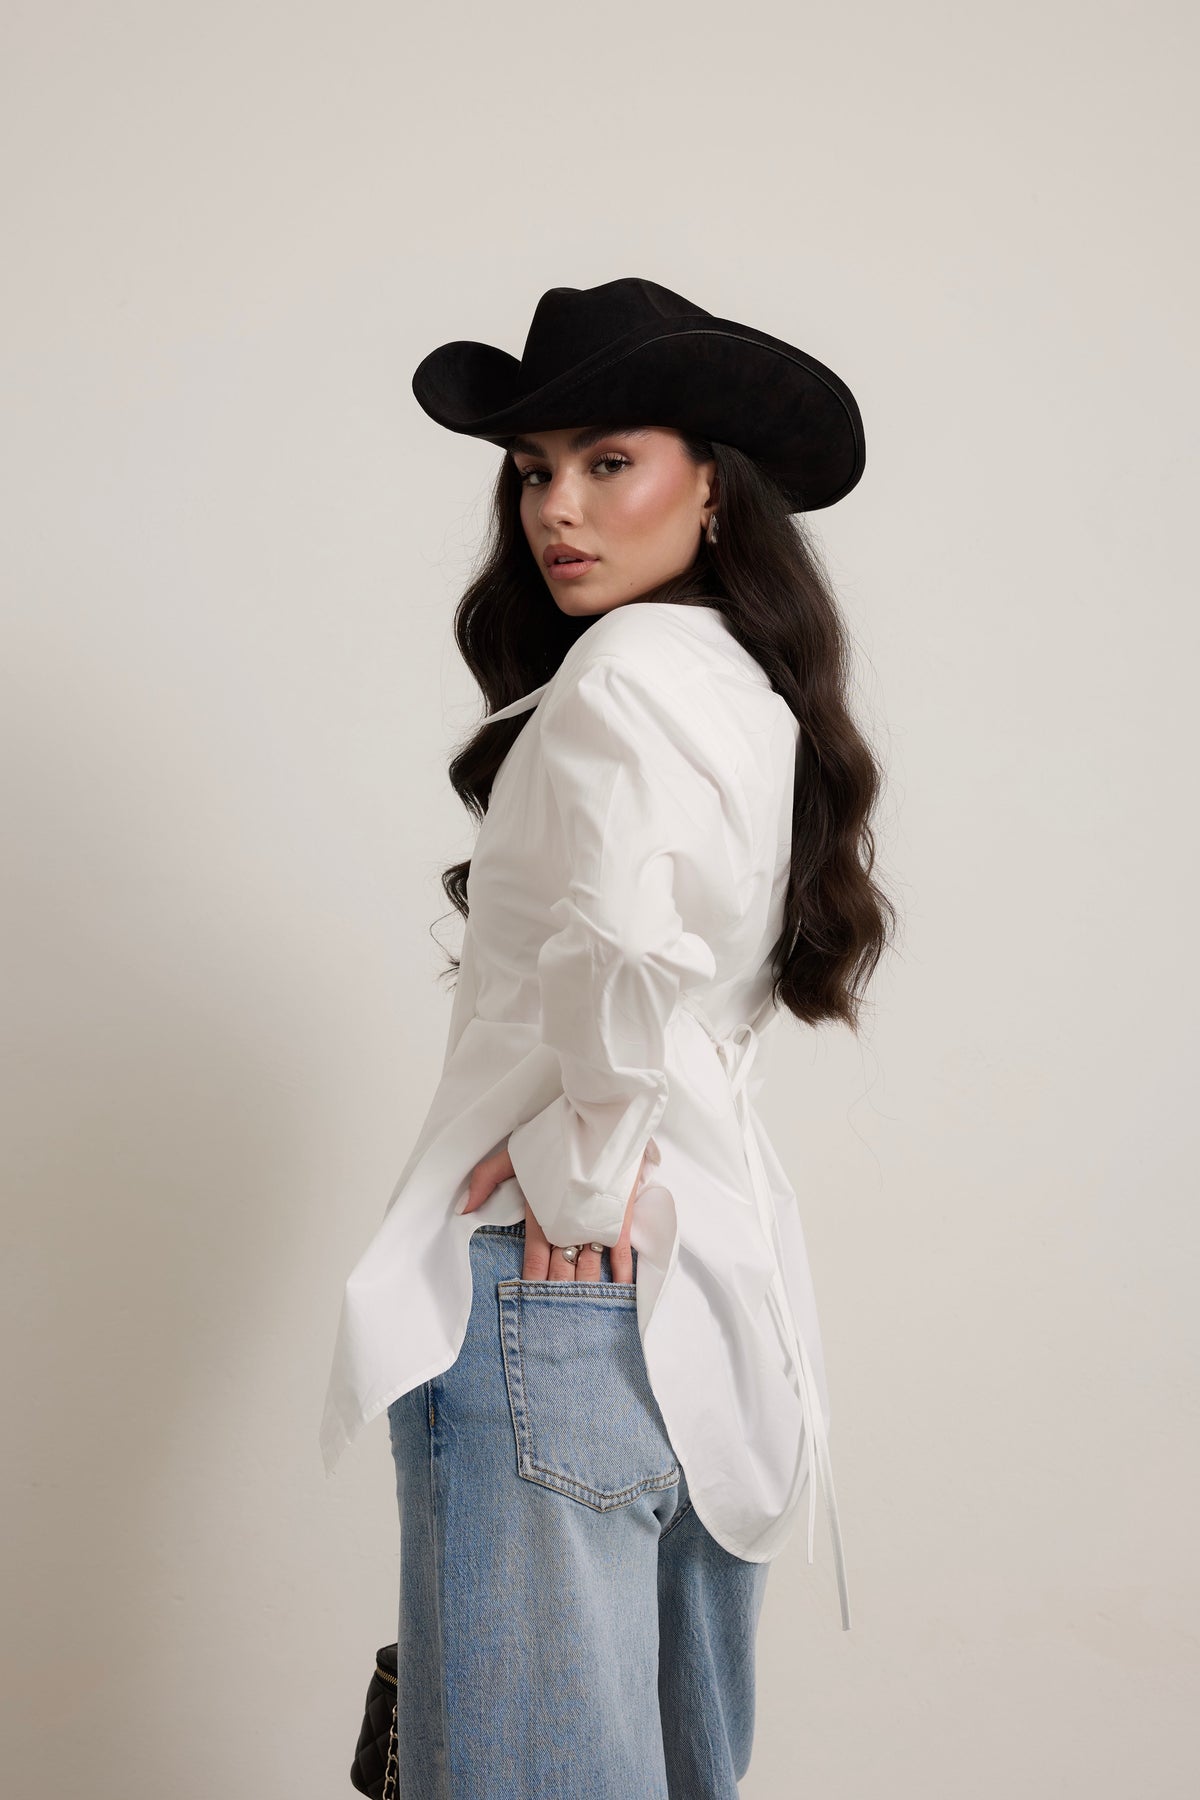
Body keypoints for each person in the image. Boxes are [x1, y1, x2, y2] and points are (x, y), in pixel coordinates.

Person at [321, 277, 894, 1797]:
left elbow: (628, 948)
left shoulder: (623, 676)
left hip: (560, 1281)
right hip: (711, 1291)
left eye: (607, 461)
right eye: (532, 472)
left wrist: (577, 1172)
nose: (556, 509)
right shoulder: (749, 693)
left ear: (714, 486)